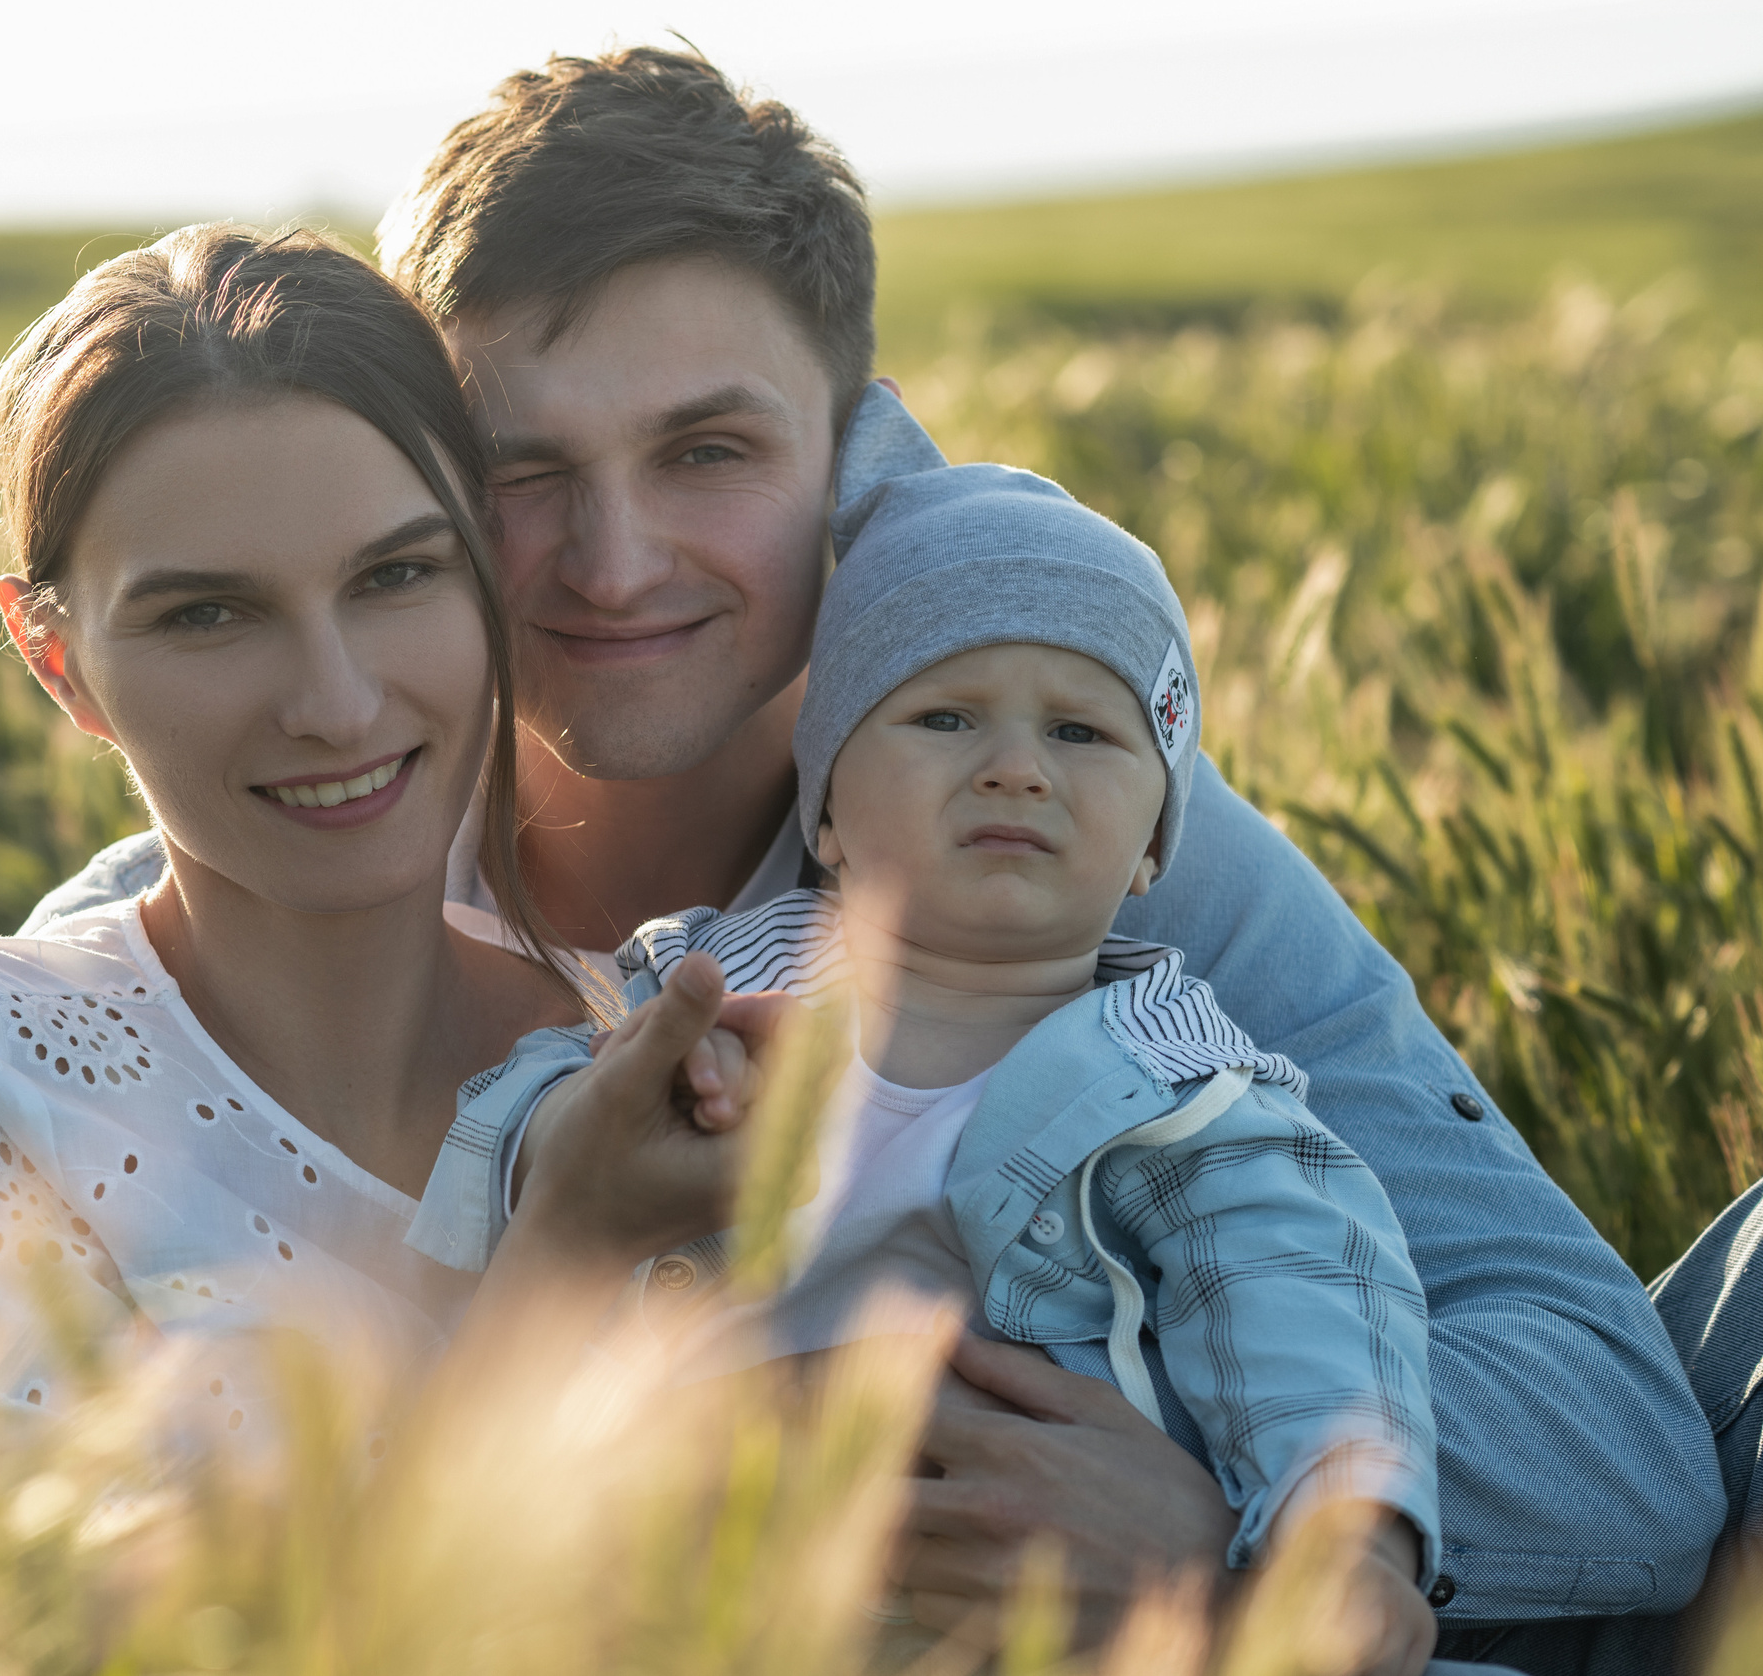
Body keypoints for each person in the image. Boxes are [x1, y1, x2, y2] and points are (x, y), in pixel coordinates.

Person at [21, 49, 1739, 1668]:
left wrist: (1208, 1502)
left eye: (709, 450)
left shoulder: (1067, 838)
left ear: (847, 463)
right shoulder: (187, 932)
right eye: (522, 470)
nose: (615, 564)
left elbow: (1618, 1438)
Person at [448, 382, 1441, 1672]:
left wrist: (1346, 1545)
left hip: (1010, 1614)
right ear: (827, 812)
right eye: (945, 716)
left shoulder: (1193, 1097)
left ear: (1155, 839)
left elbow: (1311, 1306)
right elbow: (515, 1149)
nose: (1016, 764)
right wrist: (561, 1132)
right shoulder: (694, 989)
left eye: (1081, 730)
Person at [0, 224, 762, 1445]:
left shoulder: (655, 1071)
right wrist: (565, 1253)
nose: (336, 704)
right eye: (207, 613)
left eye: (396, 577)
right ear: (57, 660)